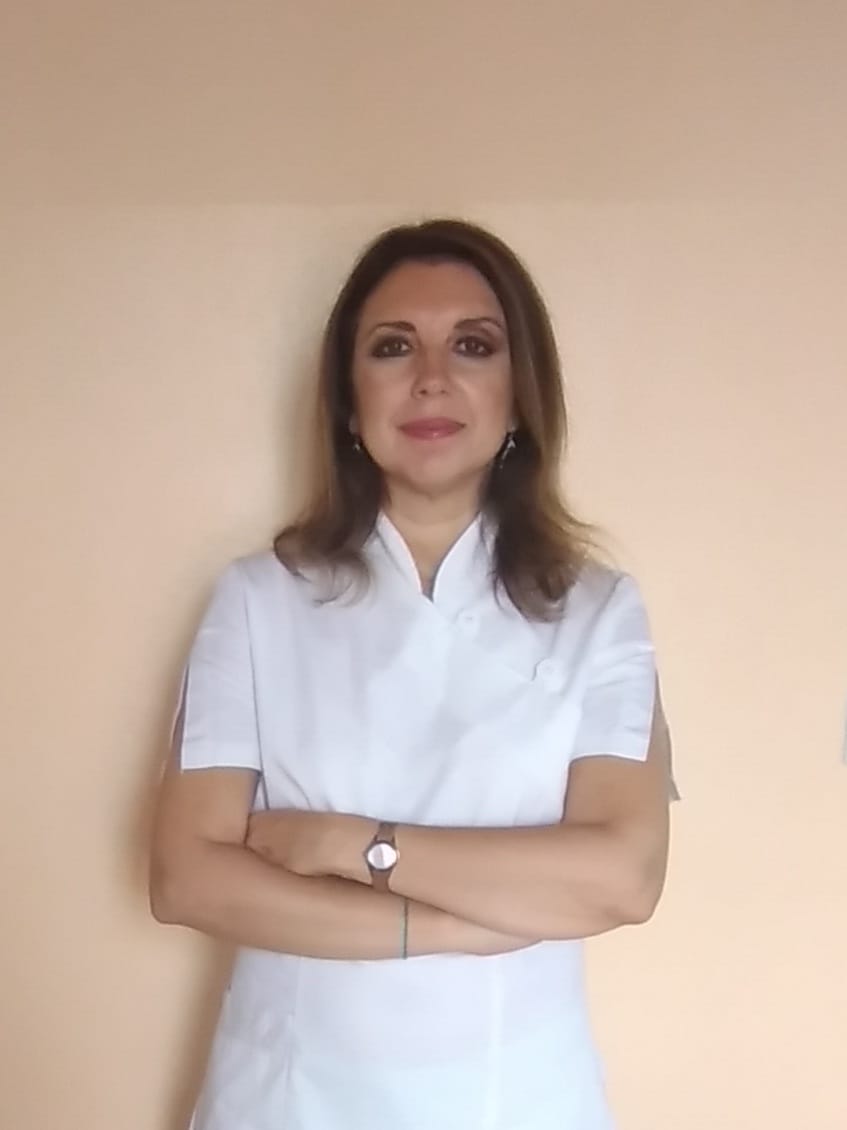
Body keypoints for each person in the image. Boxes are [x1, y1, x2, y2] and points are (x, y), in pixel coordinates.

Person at [149, 217, 672, 1130]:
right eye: (393, 347)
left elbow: (622, 876)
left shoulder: (595, 610)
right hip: (288, 1098)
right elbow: (188, 877)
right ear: (348, 404)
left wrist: (356, 847)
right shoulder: (256, 601)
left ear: (519, 397)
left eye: (472, 345)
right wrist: (452, 926)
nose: (432, 377)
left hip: (517, 1097)